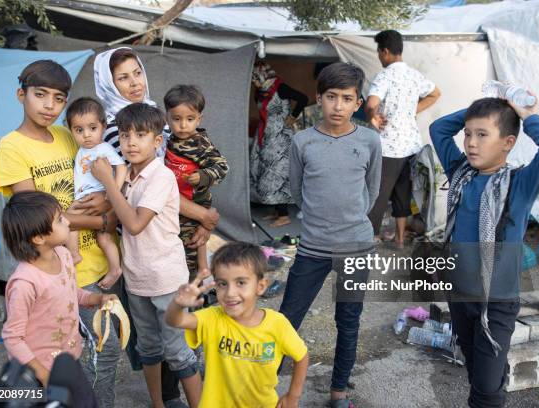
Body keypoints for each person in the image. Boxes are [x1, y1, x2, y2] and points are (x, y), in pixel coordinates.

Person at [0, 60, 121, 408]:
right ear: (21, 95)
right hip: (57, 269)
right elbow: (37, 217)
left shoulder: (69, 134)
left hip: (89, 260)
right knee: (95, 354)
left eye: (58, 98)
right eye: (40, 95)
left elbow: (97, 178)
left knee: (96, 351)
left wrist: (107, 199)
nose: (49, 105)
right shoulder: (12, 147)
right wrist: (103, 222)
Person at [94, 47, 218, 404]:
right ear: (109, 82)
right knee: (149, 348)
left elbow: (132, 220)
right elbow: (117, 213)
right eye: (123, 77)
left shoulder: (154, 167)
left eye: (137, 73)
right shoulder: (115, 147)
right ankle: (160, 402)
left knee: (178, 350)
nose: (133, 82)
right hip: (137, 276)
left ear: (157, 139)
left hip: (165, 273)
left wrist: (110, 181)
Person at [430, 95, 539, 407]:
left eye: (482, 135)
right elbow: (439, 128)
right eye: (467, 134)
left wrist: (523, 113)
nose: (470, 143)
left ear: (507, 143)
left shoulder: (520, 184)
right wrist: (485, 108)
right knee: (477, 371)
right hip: (461, 295)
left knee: (486, 391)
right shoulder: (461, 174)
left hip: (497, 303)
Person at [279, 62, 382, 408]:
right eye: (331, 97)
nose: (338, 106)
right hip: (312, 247)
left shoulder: (369, 140)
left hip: (356, 247)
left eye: (347, 98)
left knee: (348, 320)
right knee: (287, 317)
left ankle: (339, 392)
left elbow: (371, 190)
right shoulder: (303, 141)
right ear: (319, 99)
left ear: (358, 103)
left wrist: (349, 220)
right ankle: (267, 381)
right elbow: (297, 191)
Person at [166, 242, 309, 408]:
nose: (230, 293)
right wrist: (177, 304)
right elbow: (176, 321)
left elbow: (302, 357)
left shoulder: (277, 324)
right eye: (222, 284)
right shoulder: (212, 318)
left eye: (240, 282)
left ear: (260, 286)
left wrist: (293, 395)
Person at [1, 191, 118, 387]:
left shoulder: (63, 255)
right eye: (59, 219)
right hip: (36, 373)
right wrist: (44, 376)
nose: (67, 220)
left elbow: (71, 292)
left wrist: (97, 299)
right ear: (39, 238)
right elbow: (13, 338)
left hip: (67, 360)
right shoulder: (25, 283)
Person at [365, 30, 441, 247]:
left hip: (390, 146)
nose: (379, 57)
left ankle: (371, 238)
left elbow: (371, 104)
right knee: (402, 193)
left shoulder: (385, 75)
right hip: (411, 145)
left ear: (386, 51)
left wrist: (373, 117)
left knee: (377, 193)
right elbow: (436, 93)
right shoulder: (414, 75)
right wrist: (412, 110)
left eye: (379, 52)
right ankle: (399, 239)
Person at [163, 85, 229, 278]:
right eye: (176, 119)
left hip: (194, 204)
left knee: (191, 246)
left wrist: (203, 176)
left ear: (199, 119)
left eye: (190, 119)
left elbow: (222, 166)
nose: (183, 125)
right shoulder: (168, 140)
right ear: (167, 118)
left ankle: (196, 283)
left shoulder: (199, 143)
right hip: (175, 206)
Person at [64, 97, 126, 290]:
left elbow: (121, 168)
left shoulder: (103, 148)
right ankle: (115, 268)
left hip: (96, 196)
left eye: (92, 128)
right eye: (79, 130)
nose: (87, 135)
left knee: (69, 221)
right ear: (71, 130)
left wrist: (111, 193)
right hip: (86, 197)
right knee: (103, 237)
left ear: (103, 126)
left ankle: (74, 255)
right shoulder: (81, 150)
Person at [250, 61, 308, 228]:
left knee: (275, 175)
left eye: (255, 78)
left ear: (263, 76)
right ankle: (276, 210)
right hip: (266, 136)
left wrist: (293, 116)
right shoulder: (261, 92)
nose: (254, 82)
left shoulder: (280, 88)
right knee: (263, 171)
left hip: (280, 138)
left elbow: (302, 98)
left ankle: (284, 215)